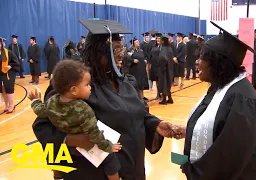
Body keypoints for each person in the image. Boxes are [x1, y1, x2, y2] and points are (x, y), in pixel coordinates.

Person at [32, 19, 179, 180]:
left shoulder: (125, 82)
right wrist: (72, 139)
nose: (122, 53)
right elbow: (43, 127)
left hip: (132, 168)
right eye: (115, 49)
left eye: (122, 47)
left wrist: (156, 124)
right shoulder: (76, 85)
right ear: (99, 51)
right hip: (94, 173)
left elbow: (137, 114)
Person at [174, 21, 256, 180]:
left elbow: (227, 156)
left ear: (218, 64)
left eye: (202, 57)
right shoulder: (220, 88)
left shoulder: (241, 99)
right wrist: (191, 131)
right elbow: (218, 128)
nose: (197, 62)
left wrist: (192, 169)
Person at [28, 60, 122, 180]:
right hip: (83, 149)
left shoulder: (53, 101)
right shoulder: (83, 109)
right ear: (73, 90)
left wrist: (35, 100)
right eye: (87, 85)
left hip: (68, 151)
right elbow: (94, 134)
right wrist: (108, 145)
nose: (90, 88)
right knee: (110, 159)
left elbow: (40, 110)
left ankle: (57, 174)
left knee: (57, 159)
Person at [0, 38, 20, 113]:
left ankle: (11, 106)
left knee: (9, 89)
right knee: (3, 89)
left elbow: (16, 62)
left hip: (9, 73)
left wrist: (10, 66)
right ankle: (7, 105)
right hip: (0, 74)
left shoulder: (8, 52)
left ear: (2, 44)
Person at [158, 34, 174, 105]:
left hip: (164, 70)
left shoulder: (163, 48)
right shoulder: (170, 48)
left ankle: (164, 100)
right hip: (170, 69)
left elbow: (163, 59)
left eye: (161, 40)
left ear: (163, 41)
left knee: (164, 84)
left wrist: (162, 67)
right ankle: (170, 99)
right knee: (168, 84)